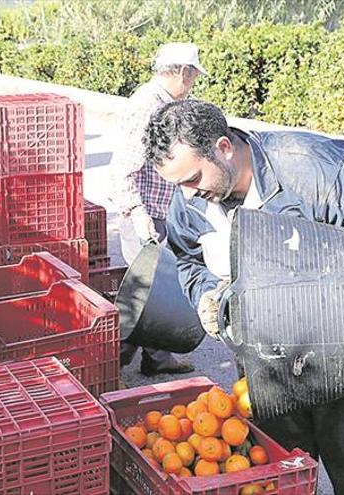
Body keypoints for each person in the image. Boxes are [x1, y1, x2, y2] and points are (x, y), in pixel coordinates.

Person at [143, 99, 344, 494]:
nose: (188, 194)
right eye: (178, 184)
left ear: (223, 148)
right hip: (268, 364)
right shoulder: (192, 198)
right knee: (281, 476)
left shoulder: (319, 170)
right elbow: (186, 257)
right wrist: (206, 293)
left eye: (193, 179)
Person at [110, 42, 206, 375]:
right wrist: (137, 212)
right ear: (183, 71)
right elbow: (123, 167)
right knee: (144, 296)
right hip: (146, 215)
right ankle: (114, 362)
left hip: (159, 212)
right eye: (193, 75)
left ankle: (146, 359)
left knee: (149, 295)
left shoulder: (168, 103)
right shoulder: (148, 106)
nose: (193, 82)